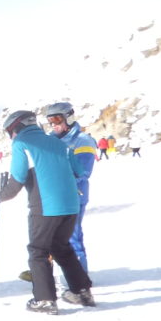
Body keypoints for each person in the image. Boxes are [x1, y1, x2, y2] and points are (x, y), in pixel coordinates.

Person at [0, 110, 94, 314]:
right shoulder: (60, 143)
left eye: (9, 131)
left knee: (38, 251)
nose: (10, 135)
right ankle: (82, 292)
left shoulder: (22, 143)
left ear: (16, 126)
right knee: (61, 247)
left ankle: (45, 299)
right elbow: (78, 171)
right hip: (71, 204)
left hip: (46, 207)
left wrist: (1, 195)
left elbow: (17, 180)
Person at [45, 102, 97, 274]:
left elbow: (83, 171)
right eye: (51, 121)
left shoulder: (82, 140)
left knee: (72, 236)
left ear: (69, 118)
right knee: (48, 235)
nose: (54, 125)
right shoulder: (51, 140)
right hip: (54, 197)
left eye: (58, 120)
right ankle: (45, 272)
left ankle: (80, 276)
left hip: (75, 196)